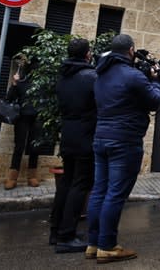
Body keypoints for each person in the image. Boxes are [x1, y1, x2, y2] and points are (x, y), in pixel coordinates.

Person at [86, 34, 160, 264]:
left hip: (101, 137)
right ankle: (108, 246)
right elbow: (155, 101)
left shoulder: (99, 75)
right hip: (124, 140)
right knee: (115, 193)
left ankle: (93, 243)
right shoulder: (133, 76)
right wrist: (155, 80)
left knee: (99, 190)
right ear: (131, 50)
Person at [51, 38, 97, 253]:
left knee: (66, 183)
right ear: (87, 54)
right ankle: (67, 236)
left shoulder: (63, 76)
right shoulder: (90, 77)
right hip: (85, 135)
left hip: (68, 134)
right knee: (81, 184)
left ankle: (56, 231)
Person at [3, 53, 40, 189]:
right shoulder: (21, 82)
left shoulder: (42, 84)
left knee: (35, 147)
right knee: (19, 147)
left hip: (37, 117)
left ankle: (32, 176)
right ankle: (12, 177)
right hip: (22, 118)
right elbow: (9, 99)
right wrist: (14, 84)